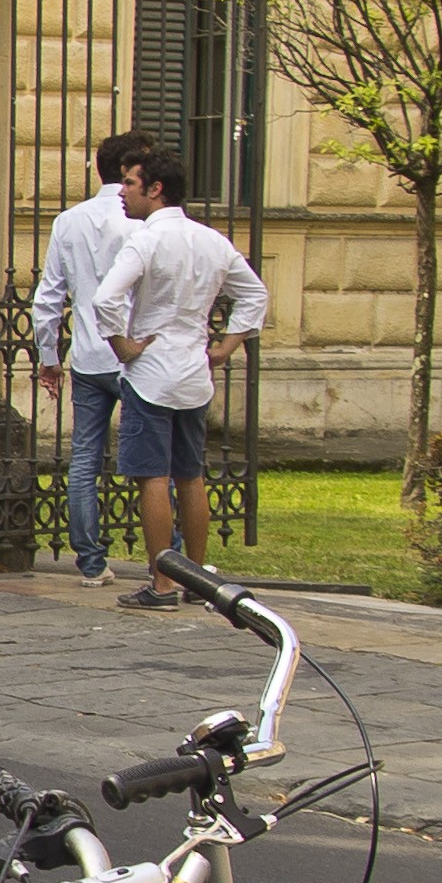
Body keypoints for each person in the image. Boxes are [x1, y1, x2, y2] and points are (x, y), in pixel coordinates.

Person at [85, 146, 268, 607]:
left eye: (129, 183)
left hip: (151, 372)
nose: (122, 192)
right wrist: (227, 345)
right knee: (190, 477)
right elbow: (254, 294)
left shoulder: (146, 240)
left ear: (155, 188)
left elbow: (106, 298)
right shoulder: (212, 241)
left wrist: (121, 345)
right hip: (193, 371)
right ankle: (196, 582)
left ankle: (163, 583)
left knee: (152, 477)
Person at [27, 131, 151, 583]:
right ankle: (169, 557)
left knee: (84, 458)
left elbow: (48, 297)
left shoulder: (69, 221)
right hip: (134, 357)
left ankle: (91, 561)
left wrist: (49, 356)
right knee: (153, 460)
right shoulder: (143, 222)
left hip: (87, 355)